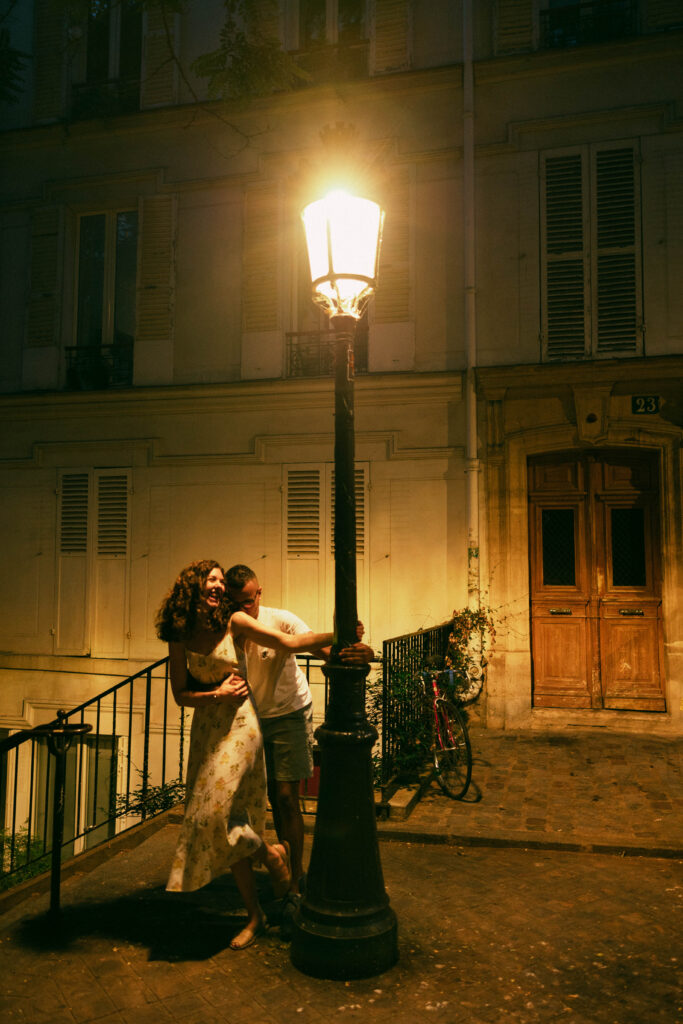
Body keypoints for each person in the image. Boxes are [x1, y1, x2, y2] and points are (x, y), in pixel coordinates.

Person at [156, 559, 335, 951]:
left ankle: (273, 861)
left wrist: (337, 635)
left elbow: (287, 643)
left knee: (215, 814)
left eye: (221, 581)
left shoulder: (234, 621)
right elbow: (180, 694)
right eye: (212, 580)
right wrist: (215, 694)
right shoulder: (180, 632)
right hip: (207, 727)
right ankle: (258, 907)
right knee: (214, 818)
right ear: (194, 586)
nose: (218, 587)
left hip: (241, 724)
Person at [225, 563, 373, 936]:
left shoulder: (282, 620)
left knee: (288, 796)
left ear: (260, 593)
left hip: (289, 712)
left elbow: (323, 649)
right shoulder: (230, 627)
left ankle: (295, 883)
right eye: (239, 602)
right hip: (251, 719)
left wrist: (354, 651)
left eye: (252, 598)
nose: (248, 607)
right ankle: (281, 867)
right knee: (266, 798)